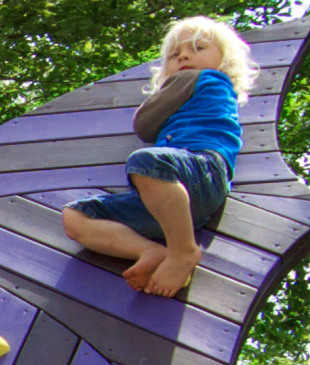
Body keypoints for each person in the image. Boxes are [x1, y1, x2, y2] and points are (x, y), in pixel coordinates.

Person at [61, 15, 255, 299]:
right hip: (172, 202)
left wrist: (162, 89)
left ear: (224, 62)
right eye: (175, 54)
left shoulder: (200, 77)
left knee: (145, 162)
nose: (185, 55)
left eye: (198, 48)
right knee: (75, 216)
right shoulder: (203, 87)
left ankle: (184, 252)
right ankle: (152, 250)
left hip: (201, 169)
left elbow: (144, 124)